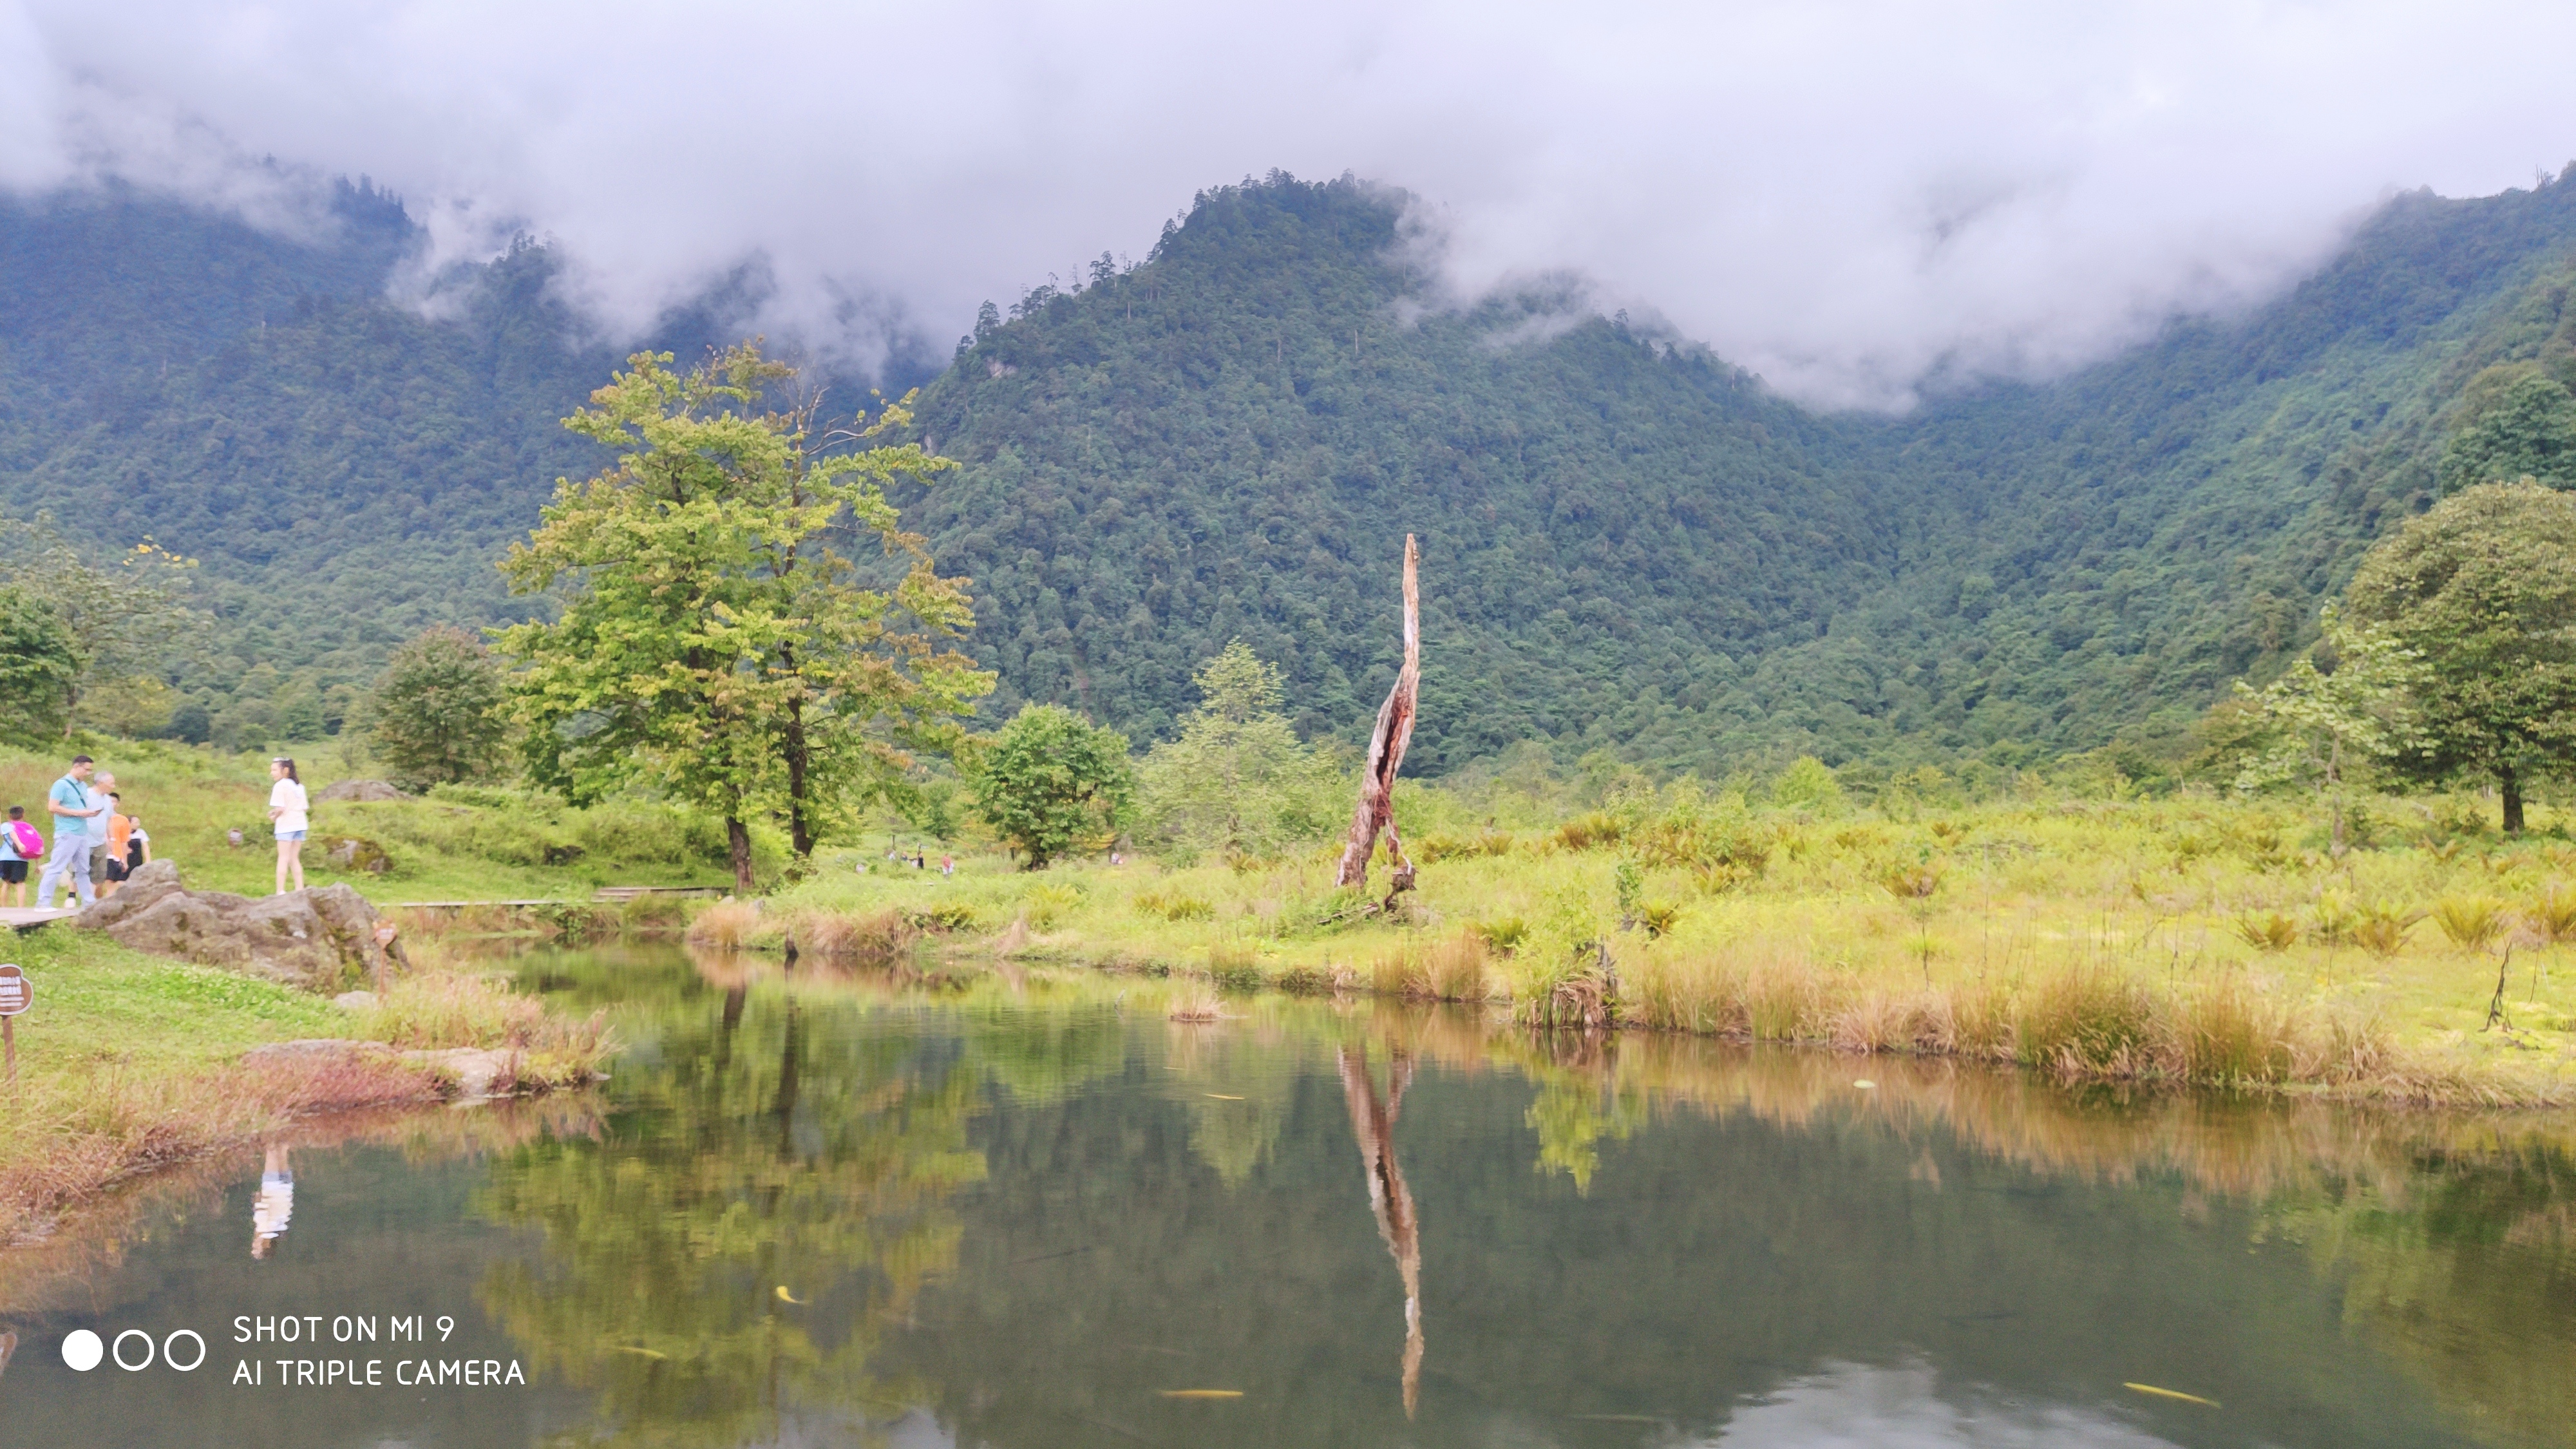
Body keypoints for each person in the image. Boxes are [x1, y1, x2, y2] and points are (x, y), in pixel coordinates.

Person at [35, 753, 103, 909]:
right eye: (86, 770)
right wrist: (79, 813)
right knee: (57, 867)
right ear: (76, 767)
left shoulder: (83, 787)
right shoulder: (61, 785)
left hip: (82, 832)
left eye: (90, 771)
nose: (88, 774)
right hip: (67, 832)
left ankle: (89, 902)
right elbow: (52, 807)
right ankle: (43, 902)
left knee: (83, 870)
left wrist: (89, 813)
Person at [268, 757, 309, 895]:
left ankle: (280, 891)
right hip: (300, 824)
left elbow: (280, 808)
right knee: (294, 858)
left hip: (286, 826)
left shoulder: (280, 786)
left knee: (283, 858)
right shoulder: (300, 786)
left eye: (274, 770)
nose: (272, 773)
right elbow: (304, 808)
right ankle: (300, 889)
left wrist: (274, 816)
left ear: (285, 770)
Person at [251, 1142, 293, 1259]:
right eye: (256, 1248)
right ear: (266, 1245)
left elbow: (287, 1210)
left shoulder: (281, 1228)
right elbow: (262, 1210)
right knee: (271, 1150)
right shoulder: (264, 1228)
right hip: (272, 1188)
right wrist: (257, 1199)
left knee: (284, 1148)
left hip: (286, 1190)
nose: (254, 1245)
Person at [83, 770, 117, 895]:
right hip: (84, 840)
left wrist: (111, 839)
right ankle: (72, 896)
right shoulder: (86, 795)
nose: (113, 787)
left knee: (99, 873)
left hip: (100, 842)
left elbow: (109, 820)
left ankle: (88, 900)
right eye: (111, 784)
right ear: (102, 783)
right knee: (79, 871)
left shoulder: (108, 799)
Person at [99, 793, 133, 898]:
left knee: (111, 882)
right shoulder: (96, 816)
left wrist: (125, 860)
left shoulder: (122, 820)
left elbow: (124, 841)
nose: (111, 804)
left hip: (115, 855)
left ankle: (104, 903)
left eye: (114, 801)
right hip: (99, 852)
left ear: (117, 804)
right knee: (98, 883)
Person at [0, 806, 33, 910]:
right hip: (21, 858)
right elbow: (34, 843)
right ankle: (21, 908)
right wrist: (37, 863)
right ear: (23, 815)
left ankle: (4, 908)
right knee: (20, 883)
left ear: (9, 815)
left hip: (5, 858)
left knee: (6, 882)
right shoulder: (27, 827)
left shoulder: (5, 825)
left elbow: (11, 834)